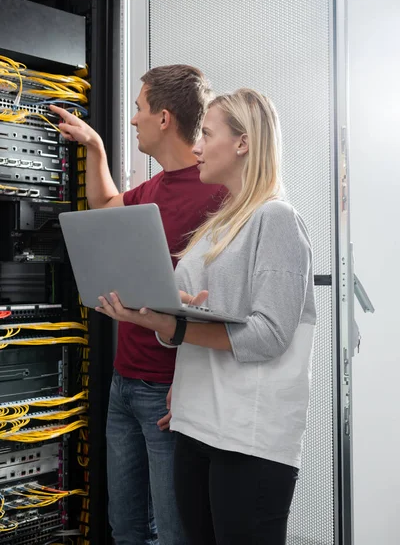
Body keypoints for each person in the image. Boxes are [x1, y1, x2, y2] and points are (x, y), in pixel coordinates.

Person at [97, 88, 317, 545]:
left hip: (247, 437)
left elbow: (269, 335)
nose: (196, 147)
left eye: (207, 135)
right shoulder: (216, 226)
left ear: (242, 143)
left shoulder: (276, 219)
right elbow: (198, 316)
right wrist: (159, 315)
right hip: (197, 423)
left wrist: (176, 324)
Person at [50, 65, 226, 545]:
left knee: (174, 534)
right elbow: (105, 205)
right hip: (124, 383)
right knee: (125, 530)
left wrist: (188, 385)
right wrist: (95, 148)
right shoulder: (155, 188)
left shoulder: (220, 192)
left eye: (139, 109)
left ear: (164, 118)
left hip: (170, 392)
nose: (133, 120)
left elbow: (225, 303)